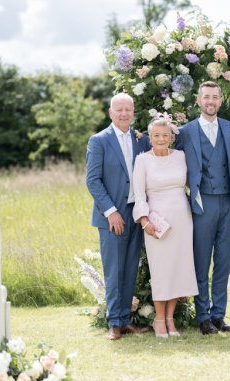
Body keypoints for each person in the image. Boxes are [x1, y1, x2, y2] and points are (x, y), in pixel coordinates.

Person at [86, 93, 152, 340]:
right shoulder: (99, 141)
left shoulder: (141, 140)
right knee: (114, 270)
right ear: (110, 113)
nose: (124, 114)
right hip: (111, 215)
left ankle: (125, 320)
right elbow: (92, 180)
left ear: (133, 112)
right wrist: (111, 211)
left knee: (130, 269)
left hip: (135, 214)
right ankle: (113, 322)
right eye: (119, 110)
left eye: (128, 109)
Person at [175, 81, 230, 335]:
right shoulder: (185, 132)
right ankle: (202, 316)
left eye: (215, 97)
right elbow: (164, 151)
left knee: (223, 262)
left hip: (228, 202)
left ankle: (218, 314)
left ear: (220, 101)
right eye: (206, 97)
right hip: (202, 203)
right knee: (201, 262)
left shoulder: (228, 127)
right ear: (198, 101)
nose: (210, 101)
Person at [132, 114, 199, 338]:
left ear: (172, 137)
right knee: (161, 271)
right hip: (157, 222)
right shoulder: (143, 160)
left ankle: (171, 320)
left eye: (165, 135)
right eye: (156, 135)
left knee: (178, 269)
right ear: (150, 138)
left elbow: (193, 182)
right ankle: (159, 320)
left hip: (182, 219)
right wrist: (144, 221)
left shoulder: (180, 156)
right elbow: (139, 195)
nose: (161, 139)